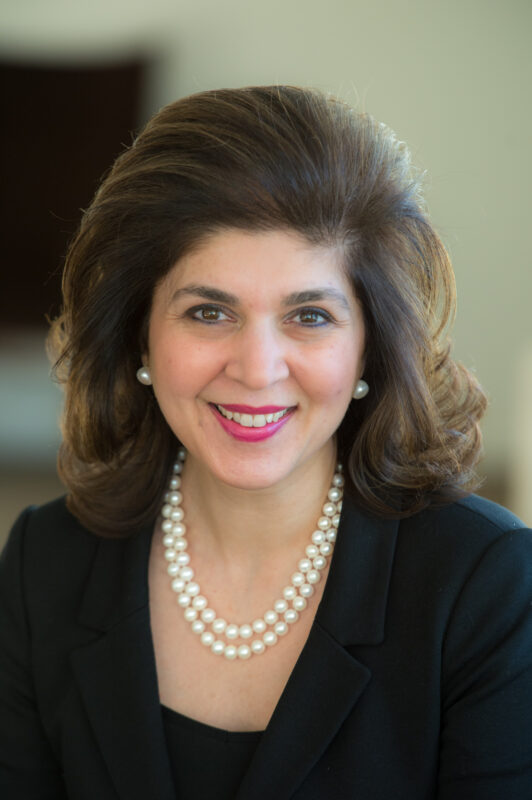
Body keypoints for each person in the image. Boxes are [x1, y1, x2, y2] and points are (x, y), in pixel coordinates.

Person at [1, 85, 531, 800]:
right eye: (208, 311)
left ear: (371, 350)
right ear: (139, 334)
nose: (256, 369)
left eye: (309, 316)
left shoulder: (488, 586)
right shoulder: (45, 562)